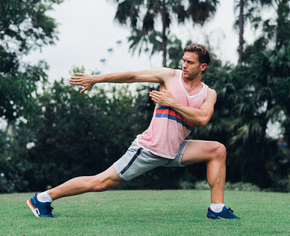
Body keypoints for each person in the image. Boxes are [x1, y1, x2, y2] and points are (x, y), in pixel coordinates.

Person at [26, 44, 240, 220]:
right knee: (100, 183)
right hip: (149, 148)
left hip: (175, 149)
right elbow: (131, 76)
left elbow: (202, 118)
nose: (184, 65)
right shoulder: (168, 76)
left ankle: (217, 209)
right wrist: (95, 79)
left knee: (217, 150)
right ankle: (43, 198)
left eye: (189, 62)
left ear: (202, 67)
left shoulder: (208, 93)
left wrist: (171, 102)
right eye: (183, 60)